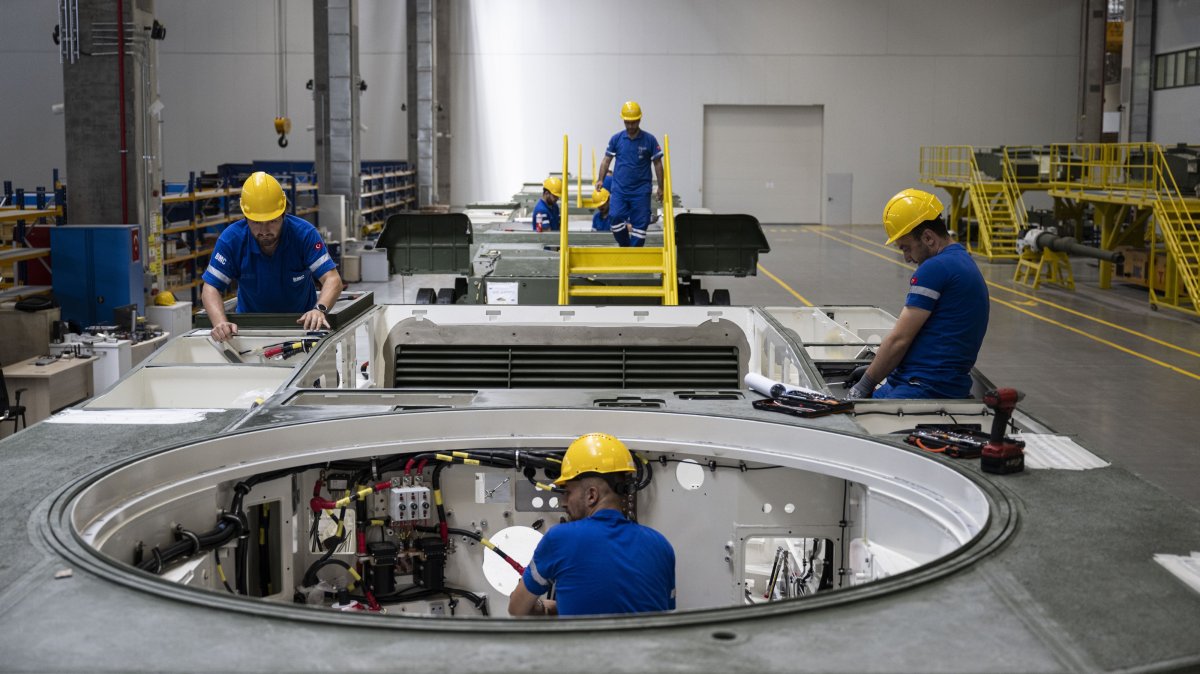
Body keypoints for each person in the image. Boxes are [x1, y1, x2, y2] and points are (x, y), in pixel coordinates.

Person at [509, 432, 676, 617]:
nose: (563, 502)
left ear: (591, 495)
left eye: (567, 492)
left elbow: (517, 610)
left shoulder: (559, 538)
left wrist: (541, 607)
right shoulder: (662, 546)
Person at [846, 189, 989, 400]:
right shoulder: (960, 260)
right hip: (920, 379)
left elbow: (899, 340)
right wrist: (874, 369)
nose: (907, 258)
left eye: (906, 248)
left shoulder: (935, 268)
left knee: (854, 414)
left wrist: (865, 384)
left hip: (925, 385)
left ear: (928, 238)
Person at [201, 171, 343, 342]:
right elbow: (210, 287)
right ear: (245, 217)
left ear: (283, 214)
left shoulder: (304, 234)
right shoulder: (232, 240)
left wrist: (319, 310)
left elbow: (332, 279)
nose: (264, 231)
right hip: (250, 329)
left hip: (302, 325)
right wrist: (220, 323)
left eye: (272, 221)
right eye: (256, 222)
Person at [595, 101, 664, 247]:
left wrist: (661, 187)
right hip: (620, 189)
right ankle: (625, 247)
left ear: (639, 119)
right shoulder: (616, 139)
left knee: (640, 225)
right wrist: (600, 179)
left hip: (641, 191)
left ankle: (634, 253)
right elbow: (606, 160)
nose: (631, 126)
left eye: (634, 122)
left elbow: (658, 163)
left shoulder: (649, 140)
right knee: (615, 217)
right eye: (627, 122)